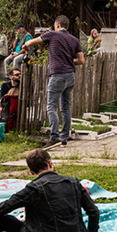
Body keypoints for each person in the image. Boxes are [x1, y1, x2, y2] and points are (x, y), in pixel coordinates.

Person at [23, 15, 85, 146]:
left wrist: (26, 46)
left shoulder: (51, 35)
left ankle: (54, 136)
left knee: (51, 106)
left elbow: (29, 42)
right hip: (70, 76)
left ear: (57, 25)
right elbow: (81, 60)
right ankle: (64, 137)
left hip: (57, 75)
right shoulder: (74, 40)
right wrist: (69, 60)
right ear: (67, 26)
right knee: (65, 107)